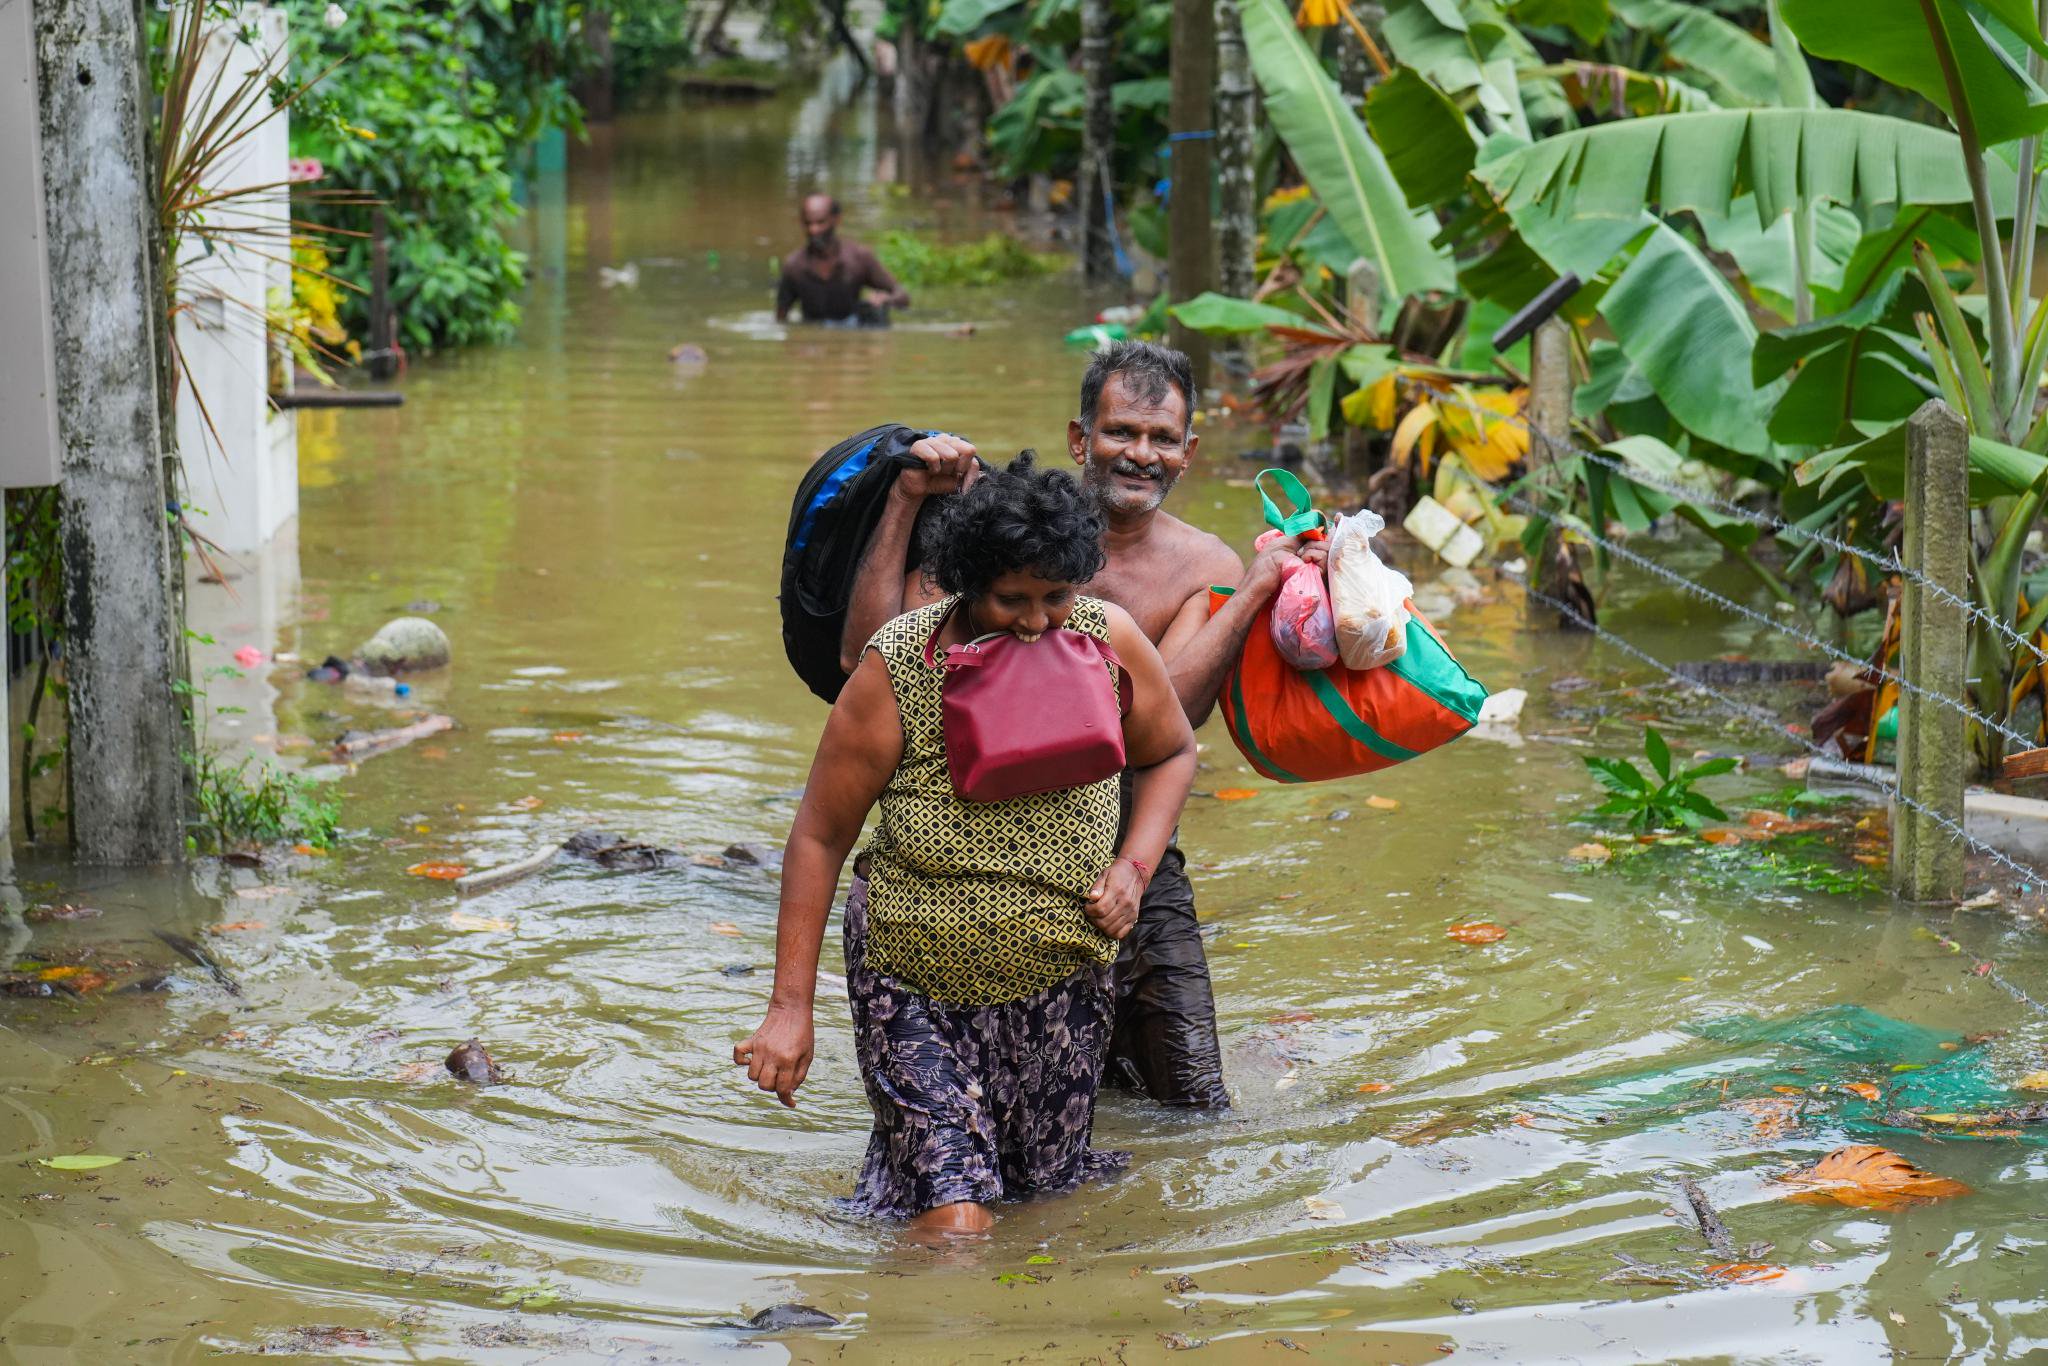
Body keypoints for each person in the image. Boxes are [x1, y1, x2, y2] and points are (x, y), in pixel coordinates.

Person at [837, 341, 1311, 1110]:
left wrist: (1255, 592)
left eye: (1162, 438)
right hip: (976, 859)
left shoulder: (1205, 564)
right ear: (1078, 438)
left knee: (1192, 1103)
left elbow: (1165, 728)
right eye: (1121, 431)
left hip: (1129, 852)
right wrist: (905, 501)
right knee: (997, 1103)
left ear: (1189, 453)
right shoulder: (1002, 532)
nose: (1141, 454)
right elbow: (874, 660)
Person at [736, 455, 1197, 1236]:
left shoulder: (1106, 639)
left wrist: (1134, 867)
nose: (1035, 621)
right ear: (964, 581)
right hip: (913, 988)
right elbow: (818, 836)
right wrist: (790, 1009)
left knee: (1043, 1205)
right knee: (957, 1224)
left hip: (1063, 986)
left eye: (1056, 596)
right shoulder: (899, 668)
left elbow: (1170, 753)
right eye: (1010, 599)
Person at [774, 193, 911, 327]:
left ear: (836, 220)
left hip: (852, 331)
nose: (813, 229)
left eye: (820, 222)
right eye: (808, 223)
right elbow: (781, 316)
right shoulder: (794, 266)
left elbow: (902, 296)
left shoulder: (859, 258)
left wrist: (885, 299)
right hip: (812, 335)